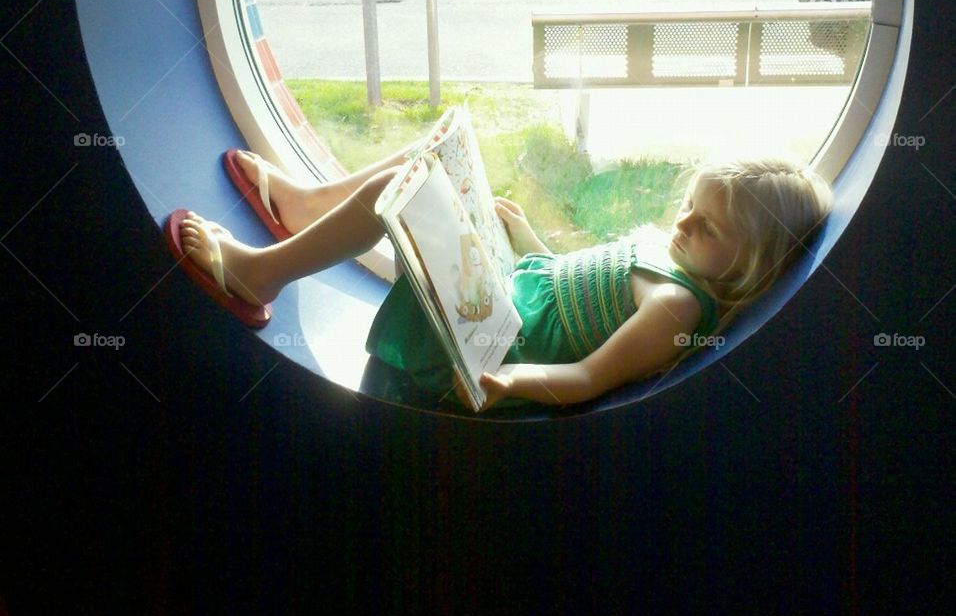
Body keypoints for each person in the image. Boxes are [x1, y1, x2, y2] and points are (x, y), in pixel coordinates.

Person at [167, 148, 832, 411]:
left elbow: (587, 376)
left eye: (708, 228)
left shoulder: (677, 308)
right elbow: (586, 289)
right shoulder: (678, 261)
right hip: (511, 287)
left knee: (406, 188)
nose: (683, 223)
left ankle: (260, 275)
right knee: (425, 164)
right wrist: (528, 240)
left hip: (492, 335)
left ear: (750, 264)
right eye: (689, 205)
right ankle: (308, 208)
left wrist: (509, 381)